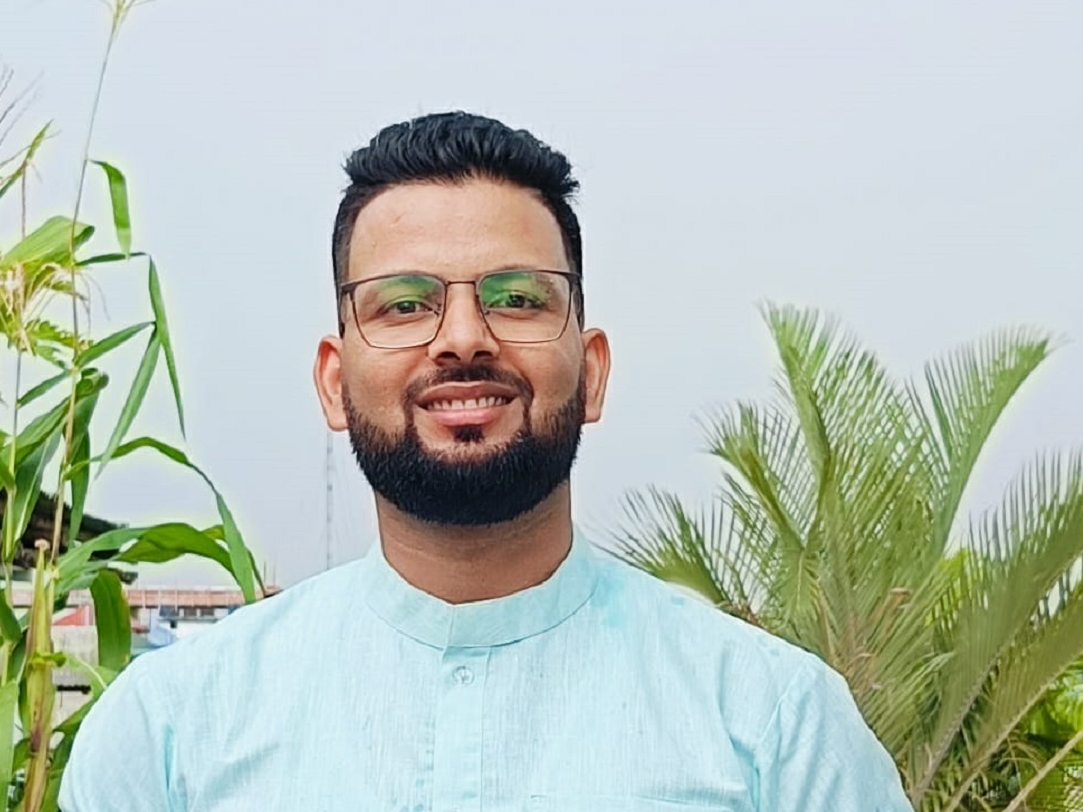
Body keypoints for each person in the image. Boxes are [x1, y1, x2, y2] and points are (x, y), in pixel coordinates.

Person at [61, 112, 911, 811]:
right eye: (404, 304)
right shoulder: (169, 735)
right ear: (334, 381)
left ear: (593, 371)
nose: (463, 338)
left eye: (517, 298)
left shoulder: (776, 728)